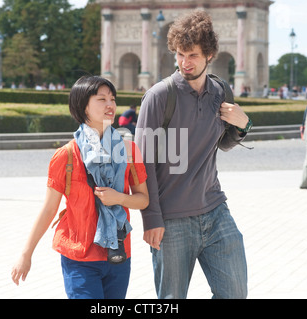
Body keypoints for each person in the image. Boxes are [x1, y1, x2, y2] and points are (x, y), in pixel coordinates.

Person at [134, 10, 250, 299]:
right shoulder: (159, 97)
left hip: (215, 210)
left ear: (209, 55)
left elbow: (223, 143)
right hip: (171, 219)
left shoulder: (221, 91)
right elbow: (141, 161)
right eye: (180, 54)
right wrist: (151, 218)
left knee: (235, 293)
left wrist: (244, 125)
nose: (185, 63)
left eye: (193, 55)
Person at [11, 76, 149, 299]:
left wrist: (119, 198)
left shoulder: (130, 150)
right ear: (82, 106)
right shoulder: (65, 155)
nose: (110, 105)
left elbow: (143, 199)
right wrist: (26, 254)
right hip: (79, 257)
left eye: (112, 99)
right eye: (101, 99)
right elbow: (49, 210)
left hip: (118, 254)